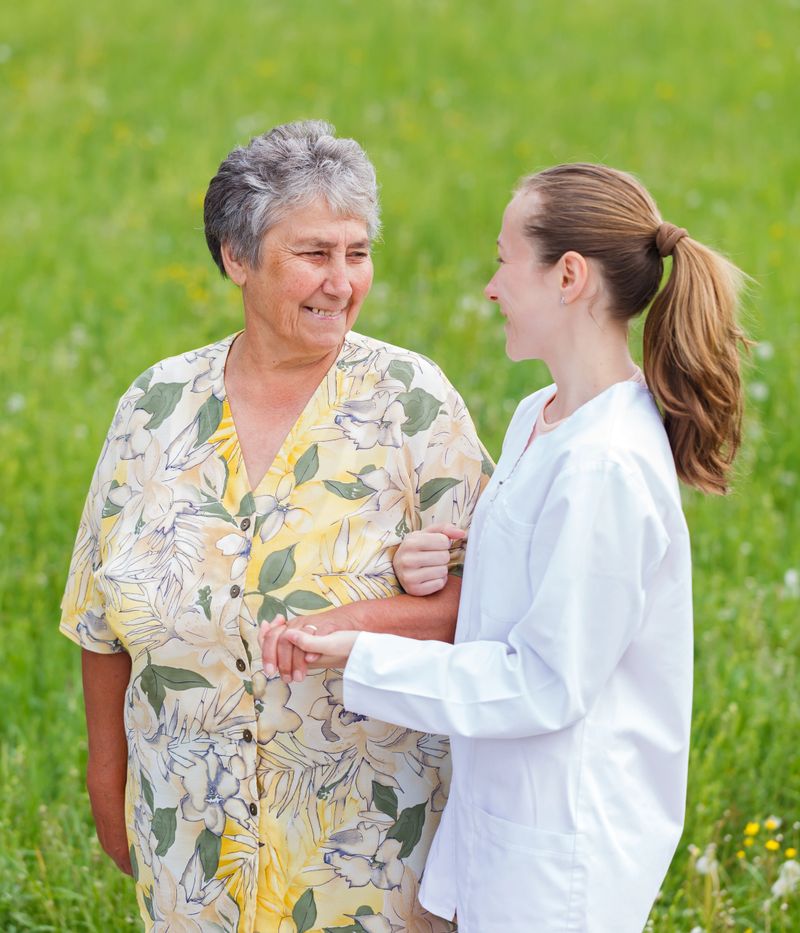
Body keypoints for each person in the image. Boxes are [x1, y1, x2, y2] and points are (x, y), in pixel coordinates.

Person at [279, 162, 748, 932]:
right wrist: (437, 561)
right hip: (501, 830)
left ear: (568, 276)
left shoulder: (607, 464)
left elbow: (543, 682)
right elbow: (522, 601)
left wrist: (360, 652)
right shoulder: (544, 414)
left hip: (563, 868)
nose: (491, 287)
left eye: (503, 261)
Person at [60, 121, 490, 932]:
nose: (341, 281)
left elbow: (492, 603)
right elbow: (97, 617)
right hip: (189, 832)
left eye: (356, 253)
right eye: (314, 254)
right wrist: (106, 778)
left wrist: (347, 621)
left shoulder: (412, 400)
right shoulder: (155, 404)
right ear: (236, 257)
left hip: (365, 845)